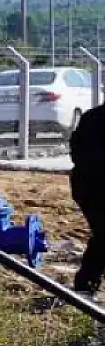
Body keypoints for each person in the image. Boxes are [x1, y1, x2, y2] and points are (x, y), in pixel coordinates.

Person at [70, 102, 105, 297]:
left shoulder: (91, 117)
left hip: (86, 186)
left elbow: (75, 150)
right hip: (93, 188)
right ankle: (85, 284)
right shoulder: (94, 119)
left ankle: (86, 283)